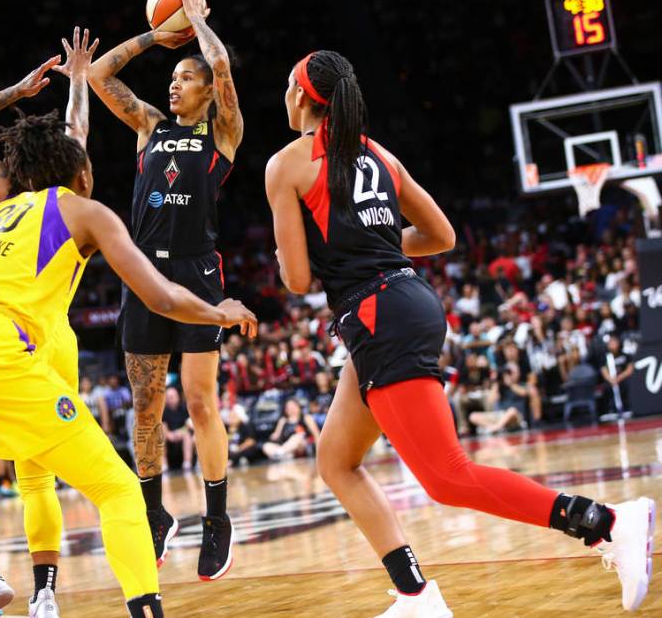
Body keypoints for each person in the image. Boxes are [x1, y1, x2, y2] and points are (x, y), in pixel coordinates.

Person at [0, 33, 256, 618]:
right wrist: (218, 310)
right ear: (80, 172)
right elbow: (158, 294)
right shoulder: (83, 209)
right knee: (117, 489)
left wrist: (35, 89)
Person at [264, 49, 655, 615]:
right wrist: (372, 246)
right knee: (335, 461)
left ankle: (606, 523)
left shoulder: (287, 165)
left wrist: (291, 258)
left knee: (446, 477)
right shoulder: (380, 157)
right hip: (404, 302)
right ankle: (415, 595)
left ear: (301, 96)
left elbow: (297, 278)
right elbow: (442, 234)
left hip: (379, 315)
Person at [88, 0, 244, 580]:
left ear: (207, 90)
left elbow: (223, 62)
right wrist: (154, 37)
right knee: (146, 406)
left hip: (198, 272)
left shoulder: (222, 133)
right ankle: (155, 514)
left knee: (202, 403)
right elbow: (101, 75)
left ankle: (217, 518)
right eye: (172, 75)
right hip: (143, 272)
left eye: (184, 76)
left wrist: (198, 23)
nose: (172, 83)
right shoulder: (149, 126)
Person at [0, 28, 98, 618]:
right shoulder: (70, 193)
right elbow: (78, 132)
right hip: (55, 338)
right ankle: (45, 597)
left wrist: (16, 91)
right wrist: (78, 83)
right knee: (38, 479)